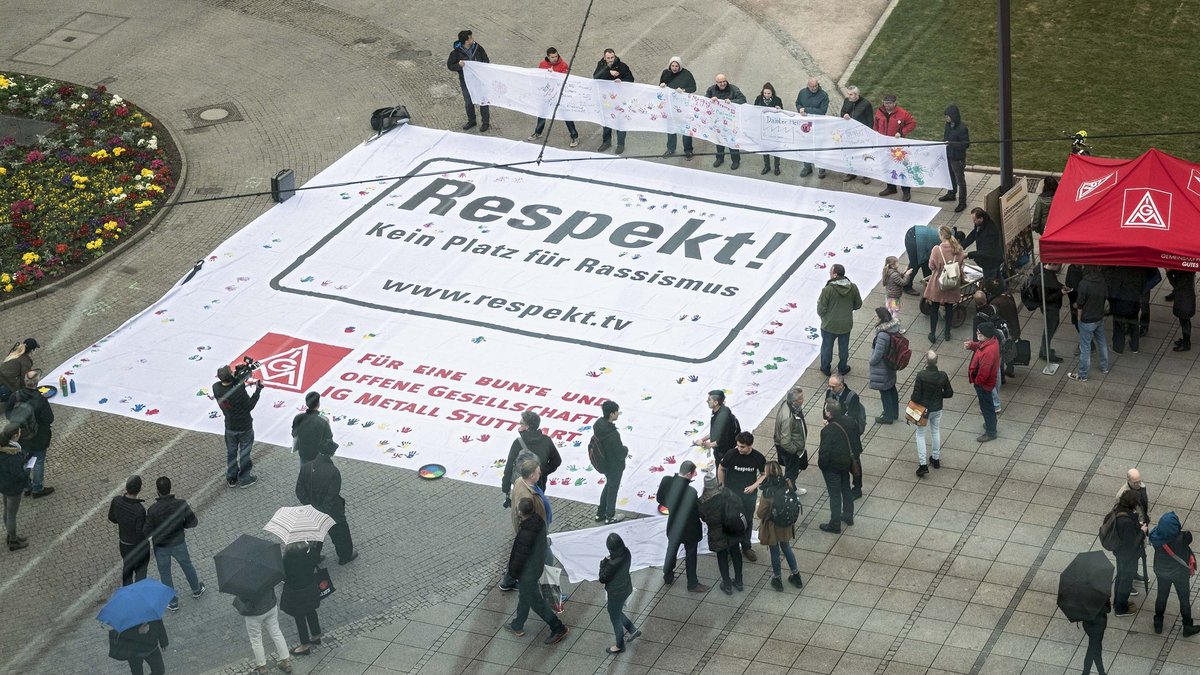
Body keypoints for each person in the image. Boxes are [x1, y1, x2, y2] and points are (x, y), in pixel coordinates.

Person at [506, 498, 569, 644]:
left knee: (536, 603)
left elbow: (519, 556)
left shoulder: (525, 533)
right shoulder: (539, 521)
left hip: (528, 573)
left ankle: (558, 627)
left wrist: (513, 573)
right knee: (524, 596)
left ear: (520, 512)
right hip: (535, 568)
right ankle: (517, 624)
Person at [144, 476, 205, 611]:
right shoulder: (181, 504)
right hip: (179, 542)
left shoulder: (152, 509)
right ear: (170, 488)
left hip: (161, 547)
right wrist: (181, 525)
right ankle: (196, 589)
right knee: (187, 565)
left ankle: (172, 601)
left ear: (157, 491)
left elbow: (147, 532)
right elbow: (193, 522)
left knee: (165, 574)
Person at [295, 441, 357, 565]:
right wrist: (322, 511)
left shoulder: (306, 467)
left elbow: (299, 490)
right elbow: (331, 496)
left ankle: (313, 558)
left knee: (315, 538)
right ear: (331, 453)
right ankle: (345, 557)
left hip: (311, 510)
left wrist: (310, 506)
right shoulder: (333, 471)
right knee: (341, 536)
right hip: (331, 513)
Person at [656, 460, 706, 592]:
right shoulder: (691, 492)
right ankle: (692, 583)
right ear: (689, 474)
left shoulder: (666, 481)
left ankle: (667, 575)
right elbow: (696, 512)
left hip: (673, 525)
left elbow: (660, 499)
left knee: (671, 550)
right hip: (689, 528)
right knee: (690, 555)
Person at [718, 431, 766, 562]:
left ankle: (746, 547)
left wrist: (754, 486)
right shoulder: (731, 454)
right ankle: (729, 547)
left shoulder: (758, 458)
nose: (739, 449)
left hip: (748, 497)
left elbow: (764, 474)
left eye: (742, 447)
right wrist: (721, 486)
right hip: (731, 496)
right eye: (738, 445)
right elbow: (721, 468)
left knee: (748, 521)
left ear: (750, 446)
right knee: (729, 521)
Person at [5, 368, 53, 497]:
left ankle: (27, 487)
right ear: (37, 383)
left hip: (20, 436)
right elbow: (49, 419)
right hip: (39, 437)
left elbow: (8, 413)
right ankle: (38, 489)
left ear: (25, 382)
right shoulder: (40, 399)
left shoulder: (16, 395)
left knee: (25, 462)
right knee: (38, 462)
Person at [501, 459, 548, 591]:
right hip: (534, 532)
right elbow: (524, 514)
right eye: (538, 473)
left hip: (534, 530)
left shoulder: (520, 481)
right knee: (524, 555)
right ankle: (550, 590)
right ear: (532, 475)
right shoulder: (526, 495)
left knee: (519, 554)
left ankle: (509, 578)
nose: (540, 474)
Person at [756, 461, 803, 591]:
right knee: (786, 547)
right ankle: (796, 575)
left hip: (772, 526)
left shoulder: (767, 491)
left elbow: (760, 513)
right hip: (786, 523)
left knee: (775, 552)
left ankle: (777, 578)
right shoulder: (787, 483)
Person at [1149, 511, 1198, 636]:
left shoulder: (1155, 537)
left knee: (1162, 596)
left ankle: (1158, 623)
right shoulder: (1183, 537)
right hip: (1180, 573)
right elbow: (1188, 537)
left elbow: (1154, 531)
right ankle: (1187, 627)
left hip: (1162, 571)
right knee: (1184, 600)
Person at [212, 365, 261, 488]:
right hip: (244, 426)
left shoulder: (216, 388)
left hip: (230, 426)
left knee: (231, 453)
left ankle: (232, 478)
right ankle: (244, 478)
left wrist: (237, 377)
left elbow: (232, 385)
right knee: (244, 453)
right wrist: (258, 391)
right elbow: (249, 405)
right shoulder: (238, 391)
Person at [697, 473, 742, 594]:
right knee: (735, 552)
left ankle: (727, 584)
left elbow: (703, 517)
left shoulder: (702, 502)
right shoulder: (726, 493)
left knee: (721, 556)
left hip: (716, 532)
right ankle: (739, 581)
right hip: (732, 527)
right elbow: (738, 503)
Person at [910, 351, 952, 476]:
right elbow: (949, 393)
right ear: (937, 361)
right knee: (935, 431)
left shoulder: (921, 375)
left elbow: (916, 397)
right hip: (937, 408)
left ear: (925, 361)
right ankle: (936, 459)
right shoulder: (942, 375)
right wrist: (939, 396)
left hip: (923, 410)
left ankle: (923, 465)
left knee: (920, 435)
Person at [502, 411, 562, 500]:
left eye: (521, 424)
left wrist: (506, 488)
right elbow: (557, 461)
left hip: (521, 485)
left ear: (527, 427)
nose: (519, 426)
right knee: (537, 507)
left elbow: (509, 467)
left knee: (522, 510)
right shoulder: (546, 440)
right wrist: (542, 472)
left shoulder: (518, 443)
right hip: (539, 484)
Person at [817, 264, 863, 377]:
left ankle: (825, 367)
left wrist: (825, 317)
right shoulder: (853, 287)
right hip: (845, 324)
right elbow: (858, 304)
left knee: (827, 347)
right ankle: (842, 367)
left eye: (830, 272)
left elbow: (821, 309)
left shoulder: (828, 290)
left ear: (835, 274)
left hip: (829, 324)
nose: (829, 274)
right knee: (844, 347)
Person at [234, 586, 293, 674]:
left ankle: (263, 668)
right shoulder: (266, 573)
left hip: (254, 613)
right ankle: (286, 663)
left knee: (256, 640)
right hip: (270, 606)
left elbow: (243, 598)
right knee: (276, 632)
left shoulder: (244, 580)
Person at [817, 400, 856, 533]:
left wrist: (822, 466)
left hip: (832, 468)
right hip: (846, 463)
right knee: (846, 489)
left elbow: (824, 453)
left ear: (829, 413)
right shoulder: (850, 421)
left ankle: (835, 524)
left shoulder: (827, 430)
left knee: (834, 495)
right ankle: (848, 515)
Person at [599, 532, 640, 654]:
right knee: (616, 612)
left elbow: (602, 578)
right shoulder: (626, 552)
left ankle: (619, 645)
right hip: (626, 587)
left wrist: (603, 564)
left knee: (614, 616)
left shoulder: (611, 564)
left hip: (615, 593)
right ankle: (632, 630)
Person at [527, 48, 579, 146]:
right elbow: (539, 78)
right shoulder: (542, 65)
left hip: (560, 95)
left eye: (556, 56)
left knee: (567, 115)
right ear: (548, 57)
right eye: (552, 57)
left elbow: (565, 79)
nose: (555, 59)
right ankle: (538, 132)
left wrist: (553, 75)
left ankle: (574, 136)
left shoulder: (563, 65)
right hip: (547, 94)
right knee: (542, 114)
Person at [279, 541, 322, 655]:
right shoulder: (310, 551)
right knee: (311, 610)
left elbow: (284, 576)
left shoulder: (287, 558)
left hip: (295, 592)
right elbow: (316, 560)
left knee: (299, 617)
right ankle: (316, 634)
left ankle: (305, 644)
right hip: (310, 587)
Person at [1068, 266, 1110, 381]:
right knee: (1102, 342)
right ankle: (1105, 367)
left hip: (1087, 319)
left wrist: (1078, 317)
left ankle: (1082, 375)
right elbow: (1106, 296)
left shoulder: (1084, 283)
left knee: (1085, 347)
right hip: (1099, 317)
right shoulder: (1102, 280)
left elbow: (1080, 303)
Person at [925, 226, 966, 343]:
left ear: (941, 235)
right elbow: (961, 264)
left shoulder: (936, 250)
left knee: (934, 308)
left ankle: (932, 334)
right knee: (949, 308)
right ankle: (947, 333)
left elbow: (931, 266)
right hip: (952, 283)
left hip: (938, 283)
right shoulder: (959, 249)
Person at [874, 94, 916, 201]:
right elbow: (876, 125)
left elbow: (912, 123)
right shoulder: (879, 112)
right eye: (885, 103)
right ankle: (891, 187)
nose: (886, 105)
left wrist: (902, 132)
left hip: (898, 147)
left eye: (889, 103)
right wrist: (876, 135)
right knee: (887, 166)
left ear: (895, 103)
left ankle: (906, 191)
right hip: (884, 145)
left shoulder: (902, 113)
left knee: (901, 168)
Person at [109, 475, 150, 585]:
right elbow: (140, 533)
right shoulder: (139, 509)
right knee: (141, 574)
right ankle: (139, 596)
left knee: (127, 570)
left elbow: (112, 518)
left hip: (124, 544)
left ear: (126, 488)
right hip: (138, 547)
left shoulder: (116, 500)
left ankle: (128, 594)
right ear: (140, 489)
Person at [446, 30, 490, 132]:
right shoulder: (456, 53)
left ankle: (485, 122)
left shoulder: (478, 48)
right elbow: (450, 66)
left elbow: (486, 60)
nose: (472, 39)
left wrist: (479, 67)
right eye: (470, 38)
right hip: (466, 80)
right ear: (466, 41)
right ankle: (472, 120)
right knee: (468, 102)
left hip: (479, 79)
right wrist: (459, 65)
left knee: (483, 101)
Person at [1111, 490, 1146, 616]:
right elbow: (1132, 543)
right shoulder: (1125, 521)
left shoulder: (1119, 510)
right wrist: (1142, 531)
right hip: (1127, 555)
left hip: (1120, 552)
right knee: (1125, 580)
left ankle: (1118, 603)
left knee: (1120, 576)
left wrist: (1137, 525)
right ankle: (1121, 608)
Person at [593, 49, 633, 153]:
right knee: (606, 121)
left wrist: (622, 81)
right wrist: (609, 72)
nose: (610, 60)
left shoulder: (623, 66)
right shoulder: (601, 65)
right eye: (608, 58)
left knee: (620, 122)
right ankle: (606, 142)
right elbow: (596, 76)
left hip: (620, 99)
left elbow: (631, 79)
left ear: (615, 56)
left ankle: (620, 144)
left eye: (612, 57)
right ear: (604, 57)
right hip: (606, 100)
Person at [594, 400, 627, 523]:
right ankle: (610, 516)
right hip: (615, 466)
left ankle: (600, 513)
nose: (618, 414)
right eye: (617, 412)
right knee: (613, 489)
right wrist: (626, 449)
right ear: (612, 414)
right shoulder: (613, 434)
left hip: (604, 464)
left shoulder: (598, 425)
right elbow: (620, 453)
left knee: (608, 486)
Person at [965, 324, 1000, 442]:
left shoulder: (988, 351)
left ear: (987, 335)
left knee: (986, 407)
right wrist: (972, 345)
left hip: (983, 384)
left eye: (980, 333)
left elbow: (984, 372)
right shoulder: (991, 342)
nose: (977, 334)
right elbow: (980, 346)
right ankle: (991, 424)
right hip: (985, 383)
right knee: (988, 406)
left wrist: (977, 382)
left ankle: (991, 431)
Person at [868, 307, 902, 424]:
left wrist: (871, 361)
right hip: (890, 363)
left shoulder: (882, 335)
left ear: (881, 318)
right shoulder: (893, 329)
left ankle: (888, 416)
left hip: (882, 366)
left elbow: (878, 354)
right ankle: (894, 413)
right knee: (891, 387)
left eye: (876, 316)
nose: (874, 318)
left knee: (884, 391)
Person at [706, 74, 746, 170]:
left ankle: (736, 160)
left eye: (724, 81)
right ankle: (719, 158)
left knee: (732, 141)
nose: (723, 83)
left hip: (731, 121)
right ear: (716, 83)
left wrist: (732, 101)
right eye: (720, 82)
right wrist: (710, 100)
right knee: (719, 141)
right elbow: (705, 100)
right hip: (717, 120)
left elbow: (743, 100)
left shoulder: (734, 89)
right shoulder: (711, 89)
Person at [659, 56, 696, 159]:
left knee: (685, 128)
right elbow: (661, 85)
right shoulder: (665, 73)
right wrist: (661, 85)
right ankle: (670, 149)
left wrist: (684, 90)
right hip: (670, 105)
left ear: (680, 66)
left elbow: (693, 87)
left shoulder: (687, 74)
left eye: (676, 66)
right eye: (673, 65)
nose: (674, 68)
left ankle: (688, 150)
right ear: (670, 65)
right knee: (671, 128)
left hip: (683, 106)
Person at [772, 387, 808, 484]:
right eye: (800, 398)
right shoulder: (788, 417)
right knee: (791, 474)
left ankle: (793, 488)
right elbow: (785, 441)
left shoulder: (789, 405)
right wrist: (795, 451)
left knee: (792, 470)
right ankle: (788, 493)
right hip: (789, 450)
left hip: (791, 445)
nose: (803, 399)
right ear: (794, 401)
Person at [695, 390, 739, 467]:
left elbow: (723, 439)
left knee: (722, 468)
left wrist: (709, 445)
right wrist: (703, 439)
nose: (707, 401)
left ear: (716, 402)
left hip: (725, 449)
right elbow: (715, 431)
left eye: (709, 400)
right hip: (721, 447)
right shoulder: (717, 411)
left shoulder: (723, 417)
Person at [795, 78, 830, 178]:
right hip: (805, 125)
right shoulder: (802, 92)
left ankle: (821, 168)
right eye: (812, 87)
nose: (814, 88)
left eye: (816, 86)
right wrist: (799, 110)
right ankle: (807, 167)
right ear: (808, 86)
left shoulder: (823, 95)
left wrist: (807, 110)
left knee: (818, 146)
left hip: (818, 125)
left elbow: (822, 111)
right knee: (805, 145)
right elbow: (798, 103)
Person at [839, 86, 873, 184]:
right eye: (848, 94)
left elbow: (870, 120)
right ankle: (851, 173)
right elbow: (842, 111)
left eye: (851, 94)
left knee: (863, 154)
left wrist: (868, 134)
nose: (848, 96)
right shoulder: (846, 101)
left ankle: (866, 175)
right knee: (850, 154)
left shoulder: (866, 104)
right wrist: (844, 115)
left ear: (857, 95)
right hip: (849, 133)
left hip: (861, 133)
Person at [938, 105, 970, 212]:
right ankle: (951, 194)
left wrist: (950, 144)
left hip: (957, 159)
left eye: (948, 116)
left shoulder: (962, 128)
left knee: (960, 180)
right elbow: (946, 137)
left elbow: (965, 144)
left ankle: (962, 202)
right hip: (949, 156)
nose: (946, 118)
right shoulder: (948, 125)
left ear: (953, 116)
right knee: (950, 177)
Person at [960, 208, 1004, 283]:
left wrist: (968, 254)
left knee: (990, 283)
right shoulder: (981, 224)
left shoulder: (990, 232)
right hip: (993, 259)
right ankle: (1002, 288)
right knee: (997, 279)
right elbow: (974, 234)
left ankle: (994, 292)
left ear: (981, 218)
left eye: (975, 220)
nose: (973, 222)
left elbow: (984, 252)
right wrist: (962, 246)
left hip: (990, 262)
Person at [1107, 267, 1144, 354]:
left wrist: (1110, 301)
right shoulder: (1139, 270)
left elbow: (1113, 292)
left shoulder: (1118, 272)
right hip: (1134, 303)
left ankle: (1118, 348)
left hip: (1120, 305)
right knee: (1134, 325)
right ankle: (1135, 347)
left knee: (1119, 327)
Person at [1, 424, 26, 551]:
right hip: (13, 488)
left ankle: (11, 535)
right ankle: (13, 540)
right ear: (15, 435)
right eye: (20, 432)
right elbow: (18, 475)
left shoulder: (3, 448)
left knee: (7, 510)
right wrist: (26, 472)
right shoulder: (13, 455)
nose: (20, 434)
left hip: (4, 485)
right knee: (11, 514)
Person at [1035, 263, 1067, 363]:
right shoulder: (1044, 278)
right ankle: (1046, 354)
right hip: (1050, 308)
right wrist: (1061, 293)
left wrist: (1061, 287)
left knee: (1049, 329)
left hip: (1051, 308)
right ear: (1053, 265)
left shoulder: (1047, 273)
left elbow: (1054, 285)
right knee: (1049, 330)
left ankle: (1044, 350)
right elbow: (1046, 299)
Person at [292, 391, 334, 465]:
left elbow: (294, 433)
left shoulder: (299, 417)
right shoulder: (323, 420)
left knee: (304, 473)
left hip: (304, 452)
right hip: (318, 455)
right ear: (318, 404)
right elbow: (328, 438)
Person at [754, 83, 785, 175]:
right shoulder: (759, 99)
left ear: (772, 93)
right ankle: (767, 166)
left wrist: (779, 108)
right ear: (763, 92)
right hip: (763, 127)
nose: (767, 95)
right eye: (765, 93)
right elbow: (754, 109)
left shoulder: (777, 100)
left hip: (774, 128)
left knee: (775, 148)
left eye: (769, 93)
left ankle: (776, 167)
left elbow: (782, 112)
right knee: (765, 148)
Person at [903, 225, 941, 295]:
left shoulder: (948, 233)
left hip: (916, 234)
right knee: (915, 264)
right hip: (915, 239)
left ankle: (928, 282)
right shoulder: (948, 242)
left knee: (926, 261)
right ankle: (906, 286)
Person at [1080, 600, 1109, 675]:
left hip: (1087, 625)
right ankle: (1086, 672)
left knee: (1095, 647)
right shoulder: (1100, 595)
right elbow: (1107, 609)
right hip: (1098, 625)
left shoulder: (1081, 595)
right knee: (1094, 649)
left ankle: (1101, 672)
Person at [1169, 269, 1195, 352]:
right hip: (1186, 298)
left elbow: (1176, 285)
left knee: (1185, 322)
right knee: (1185, 321)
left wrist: (1168, 273)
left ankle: (1186, 344)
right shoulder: (1188, 270)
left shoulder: (1184, 275)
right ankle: (1185, 340)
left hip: (1184, 300)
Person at [882, 256, 911, 321]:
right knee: (896, 311)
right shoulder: (894, 274)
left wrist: (904, 272)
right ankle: (894, 326)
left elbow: (898, 277)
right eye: (897, 263)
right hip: (895, 297)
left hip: (889, 295)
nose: (898, 264)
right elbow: (903, 283)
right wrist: (907, 275)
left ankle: (888, 322)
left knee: (890, 309)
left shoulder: (888, 271)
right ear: (892, 265)